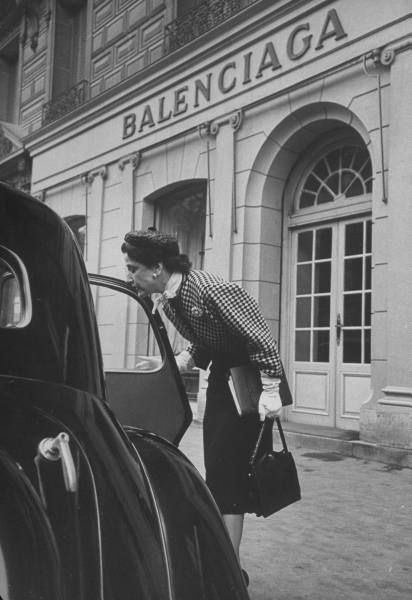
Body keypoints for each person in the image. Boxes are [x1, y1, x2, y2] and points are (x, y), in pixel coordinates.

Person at [121, 229, 290, 583]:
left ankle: (230, 570)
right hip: (220, 380)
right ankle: (228, 563)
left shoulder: (211, 288)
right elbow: (207, 338)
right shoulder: (168, 296)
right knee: (217, 469)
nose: (130, 275)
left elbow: (260, 337)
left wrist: (271, 386)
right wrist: (182, 359)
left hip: (248, 383)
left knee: (230, 473)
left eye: (133, 268)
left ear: (156, 268)